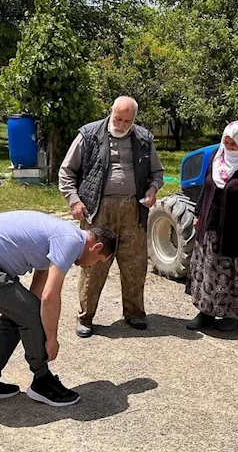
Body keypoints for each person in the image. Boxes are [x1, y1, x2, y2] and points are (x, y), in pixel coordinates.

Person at [0, 210, 117, 407]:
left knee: (21, 312)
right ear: (96, 247)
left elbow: (37, 291)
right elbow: (50, 296)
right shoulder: (71, 242)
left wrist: (30, 317)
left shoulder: (62, 235)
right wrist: (51, 340)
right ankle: (42, 381)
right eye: (97, 261)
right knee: (28, 312)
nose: (90, 267)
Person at [58, 96, 164, 337]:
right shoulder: (89, 134)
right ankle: (86, 317)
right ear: (111, 112)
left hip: (133, 211)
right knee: (93, 267)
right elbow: (66, 172)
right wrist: (74, 201)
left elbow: (157, 172)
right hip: (98, 210)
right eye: (118, 118)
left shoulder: (144, 138)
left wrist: (153, 189)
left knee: (135, 264)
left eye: (128, 120)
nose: (122, 124)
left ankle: (135, 313)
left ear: (134, 119)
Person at [186, 121, 238, 331]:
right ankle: (205, 312)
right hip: (210, 226)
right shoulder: (217, 156)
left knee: (231, 272)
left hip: (237, 229)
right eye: (227, 142)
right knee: (207, 269)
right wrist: (198, 214)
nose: (230, 148)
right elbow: (206, 187)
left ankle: (230, 314)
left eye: (234, 144)